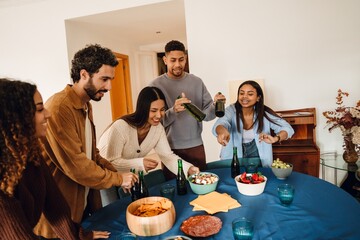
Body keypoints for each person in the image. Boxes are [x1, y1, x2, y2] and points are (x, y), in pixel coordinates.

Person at [34, 44, 138, 239]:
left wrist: (118, 174)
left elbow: (92, 154)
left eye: (111, 80)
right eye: (104, 79)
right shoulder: (59, 108)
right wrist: (117, 179)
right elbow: (77, 166)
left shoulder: (85, 105)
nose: (109, 87)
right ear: (83, 75)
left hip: (81, 210)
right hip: (58, 222)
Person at [0, 78, 111, 239]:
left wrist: (79, 236)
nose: (48, 114)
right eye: (39, 109)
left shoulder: (31, 155)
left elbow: (56, 208)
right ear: (14, 119)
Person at [149, 40, 225, 178]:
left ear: (186, 59)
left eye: (181, 59)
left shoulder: (197, 82)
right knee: (176, 188)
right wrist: (174, 111)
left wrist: (215, 105)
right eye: (173, 60)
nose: (177, 64)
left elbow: (207, 116)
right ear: (165, 60)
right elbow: (153, 121)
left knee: (202, 186)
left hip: (196, 146)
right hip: (170, 150)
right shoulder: (155, 86)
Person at [98, 86, 200, 175]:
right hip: (103, 173)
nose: (159, 115)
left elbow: (167, 156)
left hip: (127, 175)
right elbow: (111, 162)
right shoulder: (121, 127)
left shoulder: (158, 128)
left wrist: (188, 169)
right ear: (143, 109)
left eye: (162, 109)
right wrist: (140, 163)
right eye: (153, 111)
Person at [212, 80, 294, 167]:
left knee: (258, 178)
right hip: (233, 157)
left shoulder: (265, 113)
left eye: (250, 94)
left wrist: (276, 138)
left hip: (257, 157)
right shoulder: (231, 110)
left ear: (258, 97)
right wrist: (222, 131)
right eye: (241, 93)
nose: (244, 97)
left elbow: (287, 128)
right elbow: (221, 123)